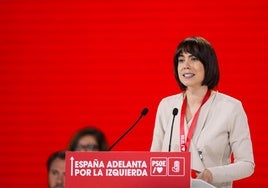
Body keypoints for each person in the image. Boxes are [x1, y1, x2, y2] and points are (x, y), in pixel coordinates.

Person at [150, 36, 255, 188]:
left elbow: (247, 164)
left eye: (193, 59)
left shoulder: (230, 107)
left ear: (208, 64)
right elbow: (154, 159)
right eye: (181, 60)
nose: (186, 65)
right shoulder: (167, 106)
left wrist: (212, 174)